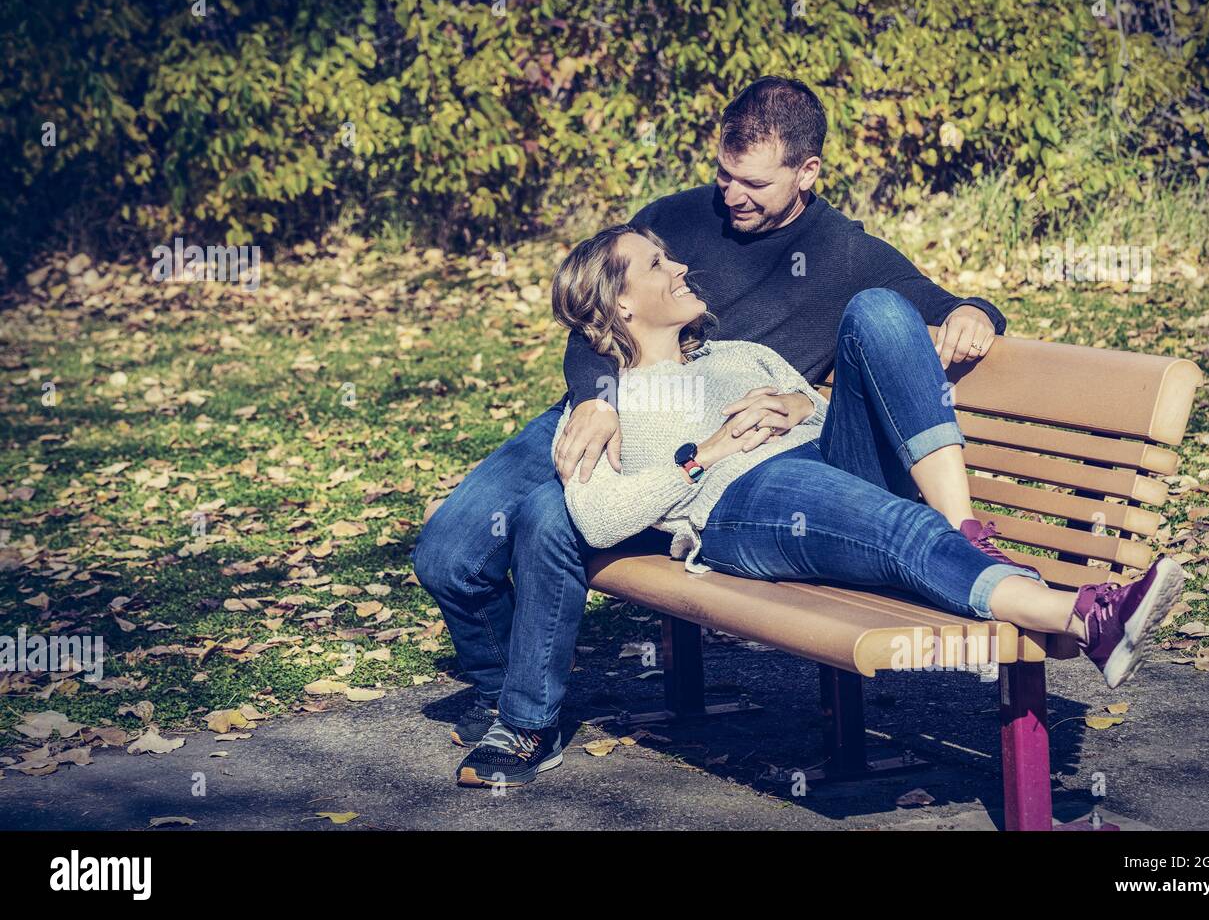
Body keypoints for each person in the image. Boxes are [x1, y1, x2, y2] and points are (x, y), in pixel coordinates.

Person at [414, 76, 1013, 785]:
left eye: (753, 183)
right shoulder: (677, 219)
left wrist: (977, 311)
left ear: (807, 171)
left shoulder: (845, 255)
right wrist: (597, 396)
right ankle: (494, 688)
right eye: (724, 174)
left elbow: (939, 307)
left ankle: (525, 724)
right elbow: (595, 313)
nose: (732, 194)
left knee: (550, 519)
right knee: (448, 555)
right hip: (603, 414)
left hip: (709, 473)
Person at [449, 224, 1185, 788]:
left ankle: (970, 530)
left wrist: (793, 401)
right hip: (741, 501)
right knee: (894, 526)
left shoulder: (734, 355)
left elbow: (813, 412)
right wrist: (705, 450)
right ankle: (1080, 615)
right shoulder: (607, 406)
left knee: (876, 308)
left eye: (670, 258)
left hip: (820, 464)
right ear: (618, 302)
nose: (679, 267)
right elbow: (600, 519)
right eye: (655, 266)